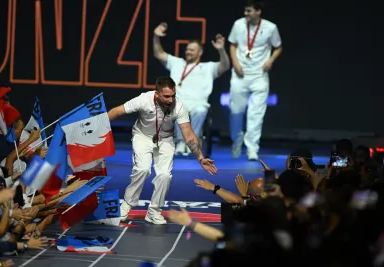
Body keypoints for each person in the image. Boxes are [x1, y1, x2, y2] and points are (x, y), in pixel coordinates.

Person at [107, 77, 217, 224]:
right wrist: (98, 126)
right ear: (157, 94)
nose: (170, 100)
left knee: (165, 175)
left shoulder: (179, 106)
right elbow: (117, 111)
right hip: (143, 136)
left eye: (173, 95)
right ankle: (127, 204)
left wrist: (201, 158)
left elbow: (188, 134)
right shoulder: (143, 100)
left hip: (165, 140)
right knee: (143, 169)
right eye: (166, 96)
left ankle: (154, 211)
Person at [153, 22, 230, 156]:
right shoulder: (177, 62)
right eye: (187, 49)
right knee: (177, 108)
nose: (188, 51)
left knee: (200, 111)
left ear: (200, 52)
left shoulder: (208, 67)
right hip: (179, 100)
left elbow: (225, 66)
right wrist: (156, 36)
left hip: (199, 102)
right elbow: (158, 53)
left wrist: (221, 50)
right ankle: (181, 142)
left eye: (192, 50)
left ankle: (191, 142)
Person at [228, 0, 282, 160]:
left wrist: (271, 60)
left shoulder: (270, 27)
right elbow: (232, 44)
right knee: (236, 111)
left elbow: (278, 46)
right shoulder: (238, 24)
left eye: (249, 11)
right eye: (245, 10)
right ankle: (237, 140)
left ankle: (252, 148)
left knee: (256, 113)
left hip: (259, 75)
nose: (246, 14)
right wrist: (235, 63)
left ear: (258, 11)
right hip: (239, 74)